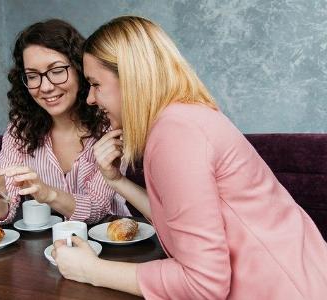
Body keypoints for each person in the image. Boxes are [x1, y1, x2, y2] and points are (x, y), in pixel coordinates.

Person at [51, 16, 327, 299]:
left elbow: (203, 284)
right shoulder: (183, 118)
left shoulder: (175, 135)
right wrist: (115, 180)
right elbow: (177, 221)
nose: (90, 99)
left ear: (133, 79)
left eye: (96, 84)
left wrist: (92, 270)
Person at [0, 19, 130, 225]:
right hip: (48, 247)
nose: (45, 87)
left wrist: (49, 194)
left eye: (56, 71)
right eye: (33, 76)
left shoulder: (110, 123)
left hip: (113, 242)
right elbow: (3, 215)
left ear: (80, 70)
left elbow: (98, 209)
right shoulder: (20, 129)